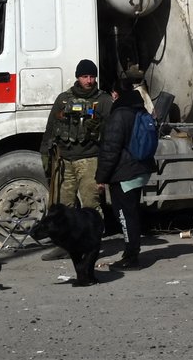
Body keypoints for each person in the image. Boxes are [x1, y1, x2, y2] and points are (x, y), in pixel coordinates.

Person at [95, 69, 156, 269]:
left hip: (124, 173)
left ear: (114, 94)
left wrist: (101, 177)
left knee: (125, 215)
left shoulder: (119, 114)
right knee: (132, 213)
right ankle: (132, 253)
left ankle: (131, 257)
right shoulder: (140, 109)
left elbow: (110, 149)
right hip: (139, 169)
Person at [40, 60, 106, 209]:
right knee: (64, 206)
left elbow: (112, 135)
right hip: (65, 161)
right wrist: (45, 154)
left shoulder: (103, 100)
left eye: (92, 76)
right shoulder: (63, 99)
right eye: (84, 76)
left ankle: (95, 232)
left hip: (90, 160)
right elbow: (50, 128)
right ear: (77, 77)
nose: (88, 80)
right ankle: (69, 233)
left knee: (91, 205)